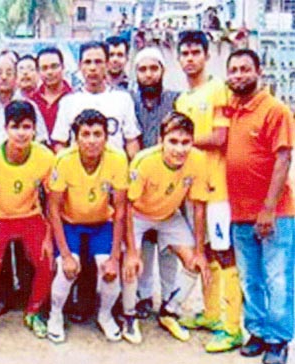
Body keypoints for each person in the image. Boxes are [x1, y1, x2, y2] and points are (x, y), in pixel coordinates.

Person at [173, 30, 243, 353]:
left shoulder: (219, 90)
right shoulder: (182, 100)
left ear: (206, 55)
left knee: (225, 251)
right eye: (184, 53)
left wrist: (180, 141)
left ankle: (232, 327)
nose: (190, 58)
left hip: (219, 187)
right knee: (208, 251)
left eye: (195, 53)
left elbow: (220, 138)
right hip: (194, 189)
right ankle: (212, 314)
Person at [225, 49, 294, 364]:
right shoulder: (234, 110)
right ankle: (256, 331)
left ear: (258, 72)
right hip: (239, 212)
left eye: (244, 69)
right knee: (249, 277)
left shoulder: (275, 110)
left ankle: (278, 340)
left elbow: (283, 159)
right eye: (234, 70)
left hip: (274, 213)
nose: (238, 75)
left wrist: (267, 209)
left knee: (277, 278)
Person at [124, 111, 210, 343]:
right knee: (131, 263)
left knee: (195, 262)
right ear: (161, 141)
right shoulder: (144, 160)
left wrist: (201, 251)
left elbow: (199, 206)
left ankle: (170, 310)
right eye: (173, 141)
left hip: (169, 216)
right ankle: (129, 315)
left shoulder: (198, 160)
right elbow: (127, 207)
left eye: (185, 142)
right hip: (139, 215)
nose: (179, 149)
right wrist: (132, 251)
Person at [46, 109, 127, 343]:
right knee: (67, 269)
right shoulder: (63, 160)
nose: (92, 141)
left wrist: (114, 257)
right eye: (86, 134)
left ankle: (105, 315)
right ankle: (55, 315)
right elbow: (53, 209)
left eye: (97, 134)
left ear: (106, 137)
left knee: (109, 271)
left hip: (102, 223)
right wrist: (65, 254)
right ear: (76, 137)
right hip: (70, 223)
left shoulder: (118, 158)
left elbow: (120, 209)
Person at [0, 100, 54, 340]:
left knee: (46, 261)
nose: (21, 133)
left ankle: (34, 311)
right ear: (6, 128)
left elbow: (51, 199)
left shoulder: (45, 157)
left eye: (27, 127)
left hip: (30, 215)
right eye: (15, 126)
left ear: (35, 129)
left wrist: (49, 236)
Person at [129, 47, 180, 320]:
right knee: (144, 245)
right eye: (142, 69)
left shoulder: (176, 100)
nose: (148, 75)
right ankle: (143, 297)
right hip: (140, 183)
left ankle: (170, 301)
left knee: (168, 246)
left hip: (171, 183)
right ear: (136, 73)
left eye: (153, 69)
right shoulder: (130, 100)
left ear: (162, 71)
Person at [51, 41, 141, 158]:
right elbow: (60, 143)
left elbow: (131, 141)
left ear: (107, 64)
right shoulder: (68, 102)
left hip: (114, 171)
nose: (92, 68)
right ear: (80, 66)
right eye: (87, 62)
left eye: (98, 62)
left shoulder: (123, 99)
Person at [0, 53, 48, 150]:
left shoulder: (30, 107)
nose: (4, 77)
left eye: (9, 73)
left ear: (16, 77)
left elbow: (41, 140)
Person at [30, 47, 73, 144]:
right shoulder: (31, 102)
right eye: (44, 68)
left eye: (54, 66)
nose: (49, 72)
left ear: (63, 67)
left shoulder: (75, 99)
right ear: (38, 71)